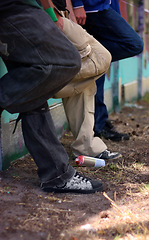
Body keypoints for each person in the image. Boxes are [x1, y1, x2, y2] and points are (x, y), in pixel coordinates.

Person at [0, 0, 104, 194]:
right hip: (15, 4)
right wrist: (50, 11)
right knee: (65, 60)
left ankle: (56, 174)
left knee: (32, 87)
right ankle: (57, 173)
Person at [53, 0, 122, 160]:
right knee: (101, 57)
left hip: (62, 12)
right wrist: (53, 15)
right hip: (48, 14)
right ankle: (44, 84)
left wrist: (70, 17)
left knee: (82, 74)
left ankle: (86, 146)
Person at [71, 0, 144, 141]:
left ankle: (99, 125)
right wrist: (77, 4)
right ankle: (89, 55)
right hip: (91, 8)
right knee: (134, 44)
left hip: (102, 6)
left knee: (98, 67)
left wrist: (116, 11)